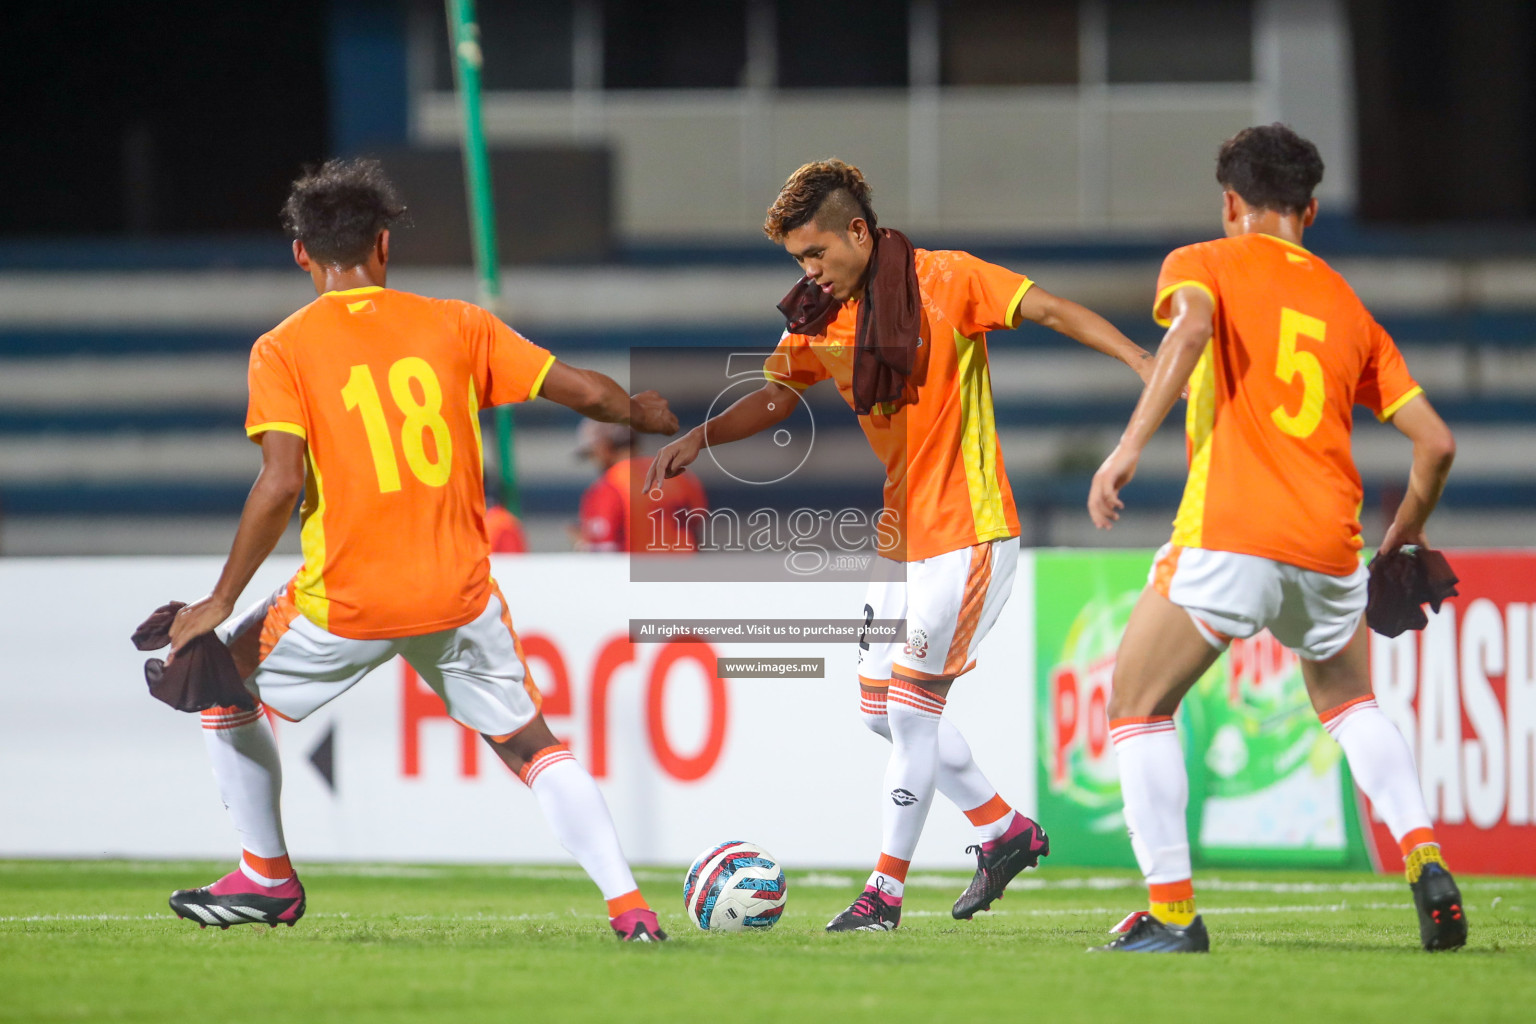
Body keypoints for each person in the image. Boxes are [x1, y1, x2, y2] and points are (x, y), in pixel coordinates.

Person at [164, 158, 679, 942]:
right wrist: (636, 409)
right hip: (456, 596)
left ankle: (267, 876)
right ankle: (629, 907)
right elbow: (585, 393)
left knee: (216, 679)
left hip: (347, 600)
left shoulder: (283, 349)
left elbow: (278, 483)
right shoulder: (457, 324)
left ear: (302, 254)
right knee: (531, 746)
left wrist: (222, 599)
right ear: (383, 244)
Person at [646, 159, 1156, 932]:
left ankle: (882, 894)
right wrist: (702, 436)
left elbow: (1049, 310)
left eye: (815, 254)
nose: (808, 272)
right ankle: (1003, 829)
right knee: (878, 712)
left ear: (859, 232)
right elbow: (780, 395)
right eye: (797, 262)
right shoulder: (821, 315)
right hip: (900, 535)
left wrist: (1144, 362)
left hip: (969, 529)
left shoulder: (948, 280)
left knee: (913, 715)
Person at [1086, 124, 1464, 953]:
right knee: (1350, 703)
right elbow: (1436, 442)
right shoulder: (1347, 306)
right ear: (1311, 210)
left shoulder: (1203, 262)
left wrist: (1123, 452)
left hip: (1232, 533)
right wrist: (1403, 539)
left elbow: (1185, 334)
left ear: (1231, 204)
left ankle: (1173, 915)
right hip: (1331, 545)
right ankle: (1426, 859)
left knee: (1138, 706)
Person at [575, 420, 707, 552]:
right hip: (684, 570)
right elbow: (697, 533)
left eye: (591, 455)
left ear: (603, 448)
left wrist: (584, 545)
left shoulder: (608, 488)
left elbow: (603, 555)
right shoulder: (681, 478)